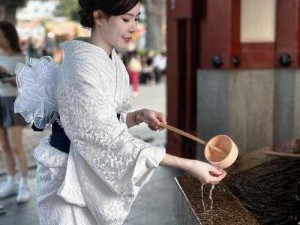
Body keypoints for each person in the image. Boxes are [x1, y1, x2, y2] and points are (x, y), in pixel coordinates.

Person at [14, 1, 226, 224]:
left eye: (136, 18)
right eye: (126, 19)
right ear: (98, 16)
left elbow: (100, 119)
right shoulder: (81, 69)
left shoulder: (109, 58)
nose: (133, 27)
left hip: (85, 167)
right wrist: (188, 164)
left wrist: (136, 116)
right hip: (66, 179)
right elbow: (104, 137)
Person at [0, 21, 30, 203]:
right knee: (4, 147)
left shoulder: (20, 56)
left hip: (13, 102)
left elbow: (23, 84)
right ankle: (10, 181)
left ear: (9, 36)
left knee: (16, 146)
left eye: (2, 36)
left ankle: (24, 184)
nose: (0, 40)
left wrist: (6, 76)